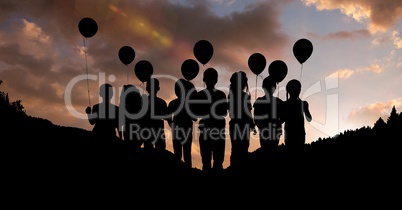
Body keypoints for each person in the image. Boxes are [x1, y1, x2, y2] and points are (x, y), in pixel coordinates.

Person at [194, 68, 228, 174]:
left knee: (207, 161)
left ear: (204, 79)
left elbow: (196, 113)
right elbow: (224, 113)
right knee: (217, 161)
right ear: (216, 80)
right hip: (217, 129)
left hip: (207, 130)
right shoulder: (221, 95)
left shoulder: (200, 95)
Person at [167, 78, 197, 168]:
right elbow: (195, 118)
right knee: (186, 153)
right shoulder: (188, 104)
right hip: (185, 129)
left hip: (181, 129)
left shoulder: (173, 103)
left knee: (179, 153)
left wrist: (172, 125)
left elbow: (168, 117)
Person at [228, 71, 255, 170]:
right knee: (242, 148)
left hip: (236, 124)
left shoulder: (231, 96)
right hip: (243, 125)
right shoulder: (244, 96)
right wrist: (251, 124)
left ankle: (235, 168)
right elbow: (248, 112)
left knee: (236, 149)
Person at [253, 76, 284, 152]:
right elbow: (256, 118)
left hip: (271, 130)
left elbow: (283, 117)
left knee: (268, 152)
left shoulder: (278, 102)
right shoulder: (278, 102)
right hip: (268, 130)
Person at [283, 79, 312, 159]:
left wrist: (306, 109)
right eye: (297, 88)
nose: (298, 90)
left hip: (295, 134)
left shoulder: (286, 104)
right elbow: (309, 119)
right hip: (294, 135)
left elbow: (309, 118)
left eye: (299, 88)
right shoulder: (287, 104)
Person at [143, 78, 169, 151]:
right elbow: (167, 117)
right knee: (159, 150)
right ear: (158, 88)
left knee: (149, 149)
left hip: (148, 128)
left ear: (147, 88)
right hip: (155, 128)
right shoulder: (161, 102)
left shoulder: (143, 101)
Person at [118, 84, 144, 152]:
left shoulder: (123, 107)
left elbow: (120, 123)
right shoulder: (141, 106)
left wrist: (120, 137)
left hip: (130, 133)